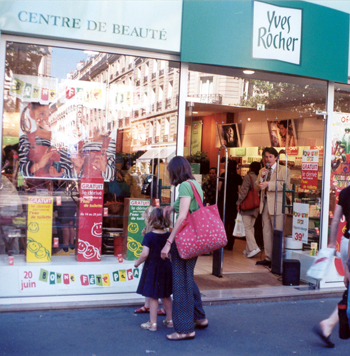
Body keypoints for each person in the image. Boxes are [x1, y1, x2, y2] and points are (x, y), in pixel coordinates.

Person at [161, 156, 208, 341]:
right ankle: (199, 317)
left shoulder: (185, 186)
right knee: (188, 279)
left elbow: (182, 218)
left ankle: (185, 329)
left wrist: (169, 242)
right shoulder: (195, 184)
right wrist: (170, 208)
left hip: (184, 240)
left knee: (180, 284)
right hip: (195, 240)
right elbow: (187, 206)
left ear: (175, 171)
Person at [313, 185, 350, 348]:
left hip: (345, 242)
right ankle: (329, 323)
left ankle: (329, 323)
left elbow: (335, 220)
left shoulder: (345, 192)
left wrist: (330, 243)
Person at [134, 208, 173, 332]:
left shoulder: (149, 236)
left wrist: (137, 263)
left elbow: (145, 254)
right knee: (166, 295)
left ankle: (153, 323)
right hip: (166, 267)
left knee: (154, 296)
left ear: (151, 220)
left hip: (152, 268)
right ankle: (169, 320)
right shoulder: (169, 235)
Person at [254, 147, 291, 267]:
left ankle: (277, 258)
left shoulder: (284, 170)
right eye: (266, 157)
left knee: (277, 232)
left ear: (276, 157)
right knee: (266, 232)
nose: (268, 159)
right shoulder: (262, 171)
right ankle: (268, 257)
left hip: (277, 205)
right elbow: (255, 187)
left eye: (270, 156)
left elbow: (285, 185)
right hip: (264, 205)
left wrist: (268, 184)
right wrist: (261, 178)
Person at [18, 103, 73, 182]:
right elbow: (20, 172)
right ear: (32, 114)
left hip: (55, 191)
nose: (48, 118)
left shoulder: (63, 142)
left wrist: (60, 175)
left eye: (52, 114)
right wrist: (39, 165)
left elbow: (69, 170)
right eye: (42, 113)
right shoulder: (25, 140)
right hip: (31, 192)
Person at [236, 161, 261, 258]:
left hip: (247, 205)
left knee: (247, 228)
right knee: (251, 227)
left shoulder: (248, 177)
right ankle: (248, 249)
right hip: (256, 205)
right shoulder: (258, 178)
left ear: (250, 168)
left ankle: (254, 248)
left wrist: (238, 202)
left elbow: (243, 192)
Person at [219, 160, 242, 250]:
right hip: (233, 201)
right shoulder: (238, 177)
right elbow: (239, 190)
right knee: (232, 222)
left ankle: (223, 241)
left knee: (224, 221)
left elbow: (219, 188)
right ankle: (231, 243)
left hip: (224, 200)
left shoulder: (223, 175)